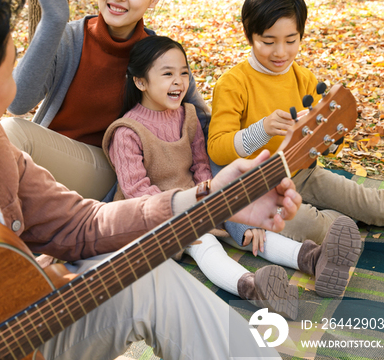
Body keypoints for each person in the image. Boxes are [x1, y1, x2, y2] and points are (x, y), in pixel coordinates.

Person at [0, 0, 328, 360]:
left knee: (149, 276)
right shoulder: (68, 48)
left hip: (4, 353)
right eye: (8, 72)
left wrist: (209, 196)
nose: (14, 92)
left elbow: (81, 224)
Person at [103, 35, 361, 308]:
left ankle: (314, 258)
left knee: (251, 228)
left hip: (195, 200)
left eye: (184, 73)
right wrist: (187, 217)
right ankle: (253, 287)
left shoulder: (188, 115)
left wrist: (210, 206)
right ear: (141, 81)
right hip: (150, 217)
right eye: (167, 74)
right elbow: (136, 190)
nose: (178, 82)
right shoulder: (126, 132)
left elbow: (202, 167)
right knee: (205, 244)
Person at [208, 0, 384, 241]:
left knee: (372, 202)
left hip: (305, 173)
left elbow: (324, 140)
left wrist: (333, 142)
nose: (281, 52)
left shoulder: (305, 79)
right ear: (249, 35)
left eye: (291, 40)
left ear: (301, 35)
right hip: (258, 191)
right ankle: (345, 223)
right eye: (268, 41)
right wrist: (261, 130)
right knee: (312, 227)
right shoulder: (232, 83)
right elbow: (217, 150)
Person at [2, 0, 210, 200]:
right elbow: (17, 101)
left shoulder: (159, 58)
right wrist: (52, 22)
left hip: (113, 172)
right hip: (51, 154)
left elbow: (203, 127)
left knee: (11, 133)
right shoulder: (70, 38)